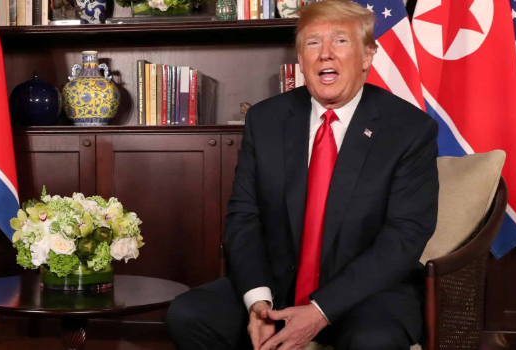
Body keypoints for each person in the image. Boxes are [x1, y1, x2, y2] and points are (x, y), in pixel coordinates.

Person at [166, 0, 439, 349]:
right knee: (189, 313)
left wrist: (320, 310)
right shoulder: (266, 120)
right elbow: (243, 217)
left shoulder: (409, 129)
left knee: (373, 340)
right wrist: (259, 303)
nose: (325, 54)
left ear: (367, 55)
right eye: (313, 43)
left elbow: (405, 236)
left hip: (368, 293)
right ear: (300, 58)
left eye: (340, 41)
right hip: (278, 286)